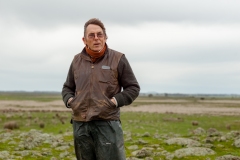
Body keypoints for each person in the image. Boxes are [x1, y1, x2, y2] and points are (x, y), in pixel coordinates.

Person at [62, 18, 140, 160]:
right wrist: (71, 101)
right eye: (91, 35)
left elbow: (133, 87)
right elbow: (68, 87)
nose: (96, 38)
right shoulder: (76, 61)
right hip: (81, 124)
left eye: (100, 34)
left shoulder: (118, 59)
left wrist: (114, 101)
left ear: (105, 37)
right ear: (84, 40)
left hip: (107, 123)